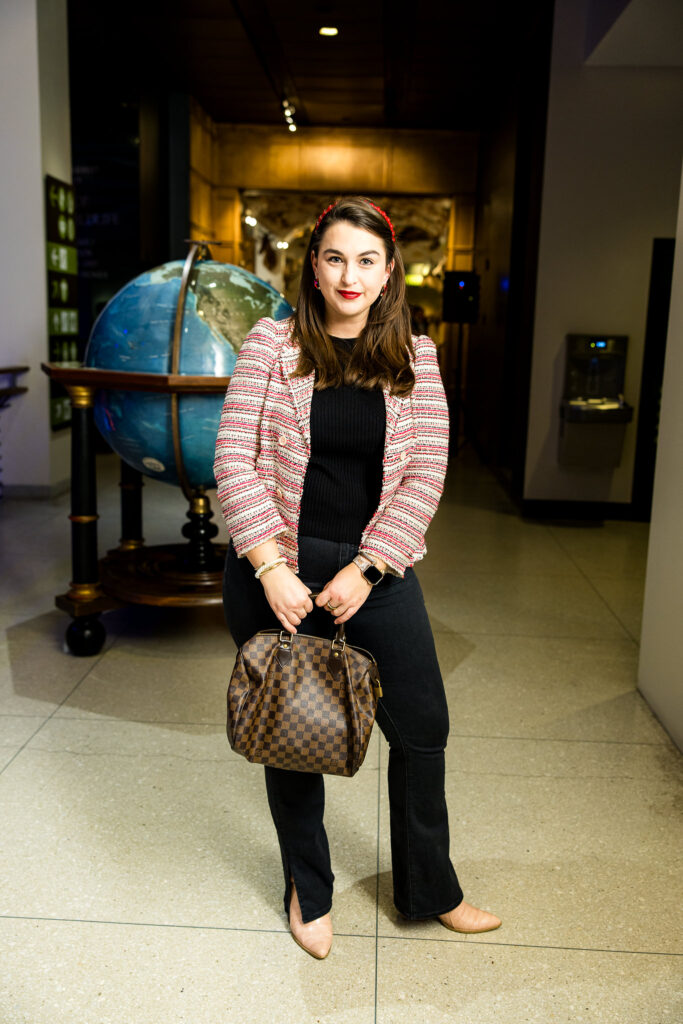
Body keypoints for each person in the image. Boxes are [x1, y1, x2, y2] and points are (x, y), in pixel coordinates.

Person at [214, 195, 501, 960]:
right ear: (313, 266)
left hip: (374, 567)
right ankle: (307, 890)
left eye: (366, 260)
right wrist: (270, 567)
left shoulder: (416, 356)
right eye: (335, 257)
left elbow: (425, 475)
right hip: (275, 567)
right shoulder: (269, 345)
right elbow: (233, 459)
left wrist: (369, 567)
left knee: (423, 727)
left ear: (387, 272)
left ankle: (431, 890)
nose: (350, 275)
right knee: (290, 733)